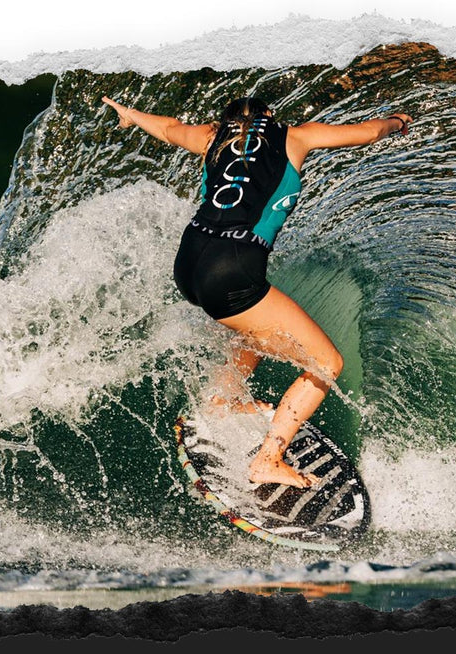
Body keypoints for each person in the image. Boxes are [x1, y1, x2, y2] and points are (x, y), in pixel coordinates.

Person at [102, 94, 412, 489]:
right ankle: (268, 460)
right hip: (232, 268)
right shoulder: (294, 136)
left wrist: (131, 114)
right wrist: (398, 121)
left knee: (257, 327)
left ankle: (223, 398)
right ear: (269, 115)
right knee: (327, 363)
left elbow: (167, 128)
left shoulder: (212, 137)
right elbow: (369, 132)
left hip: (189, 262)